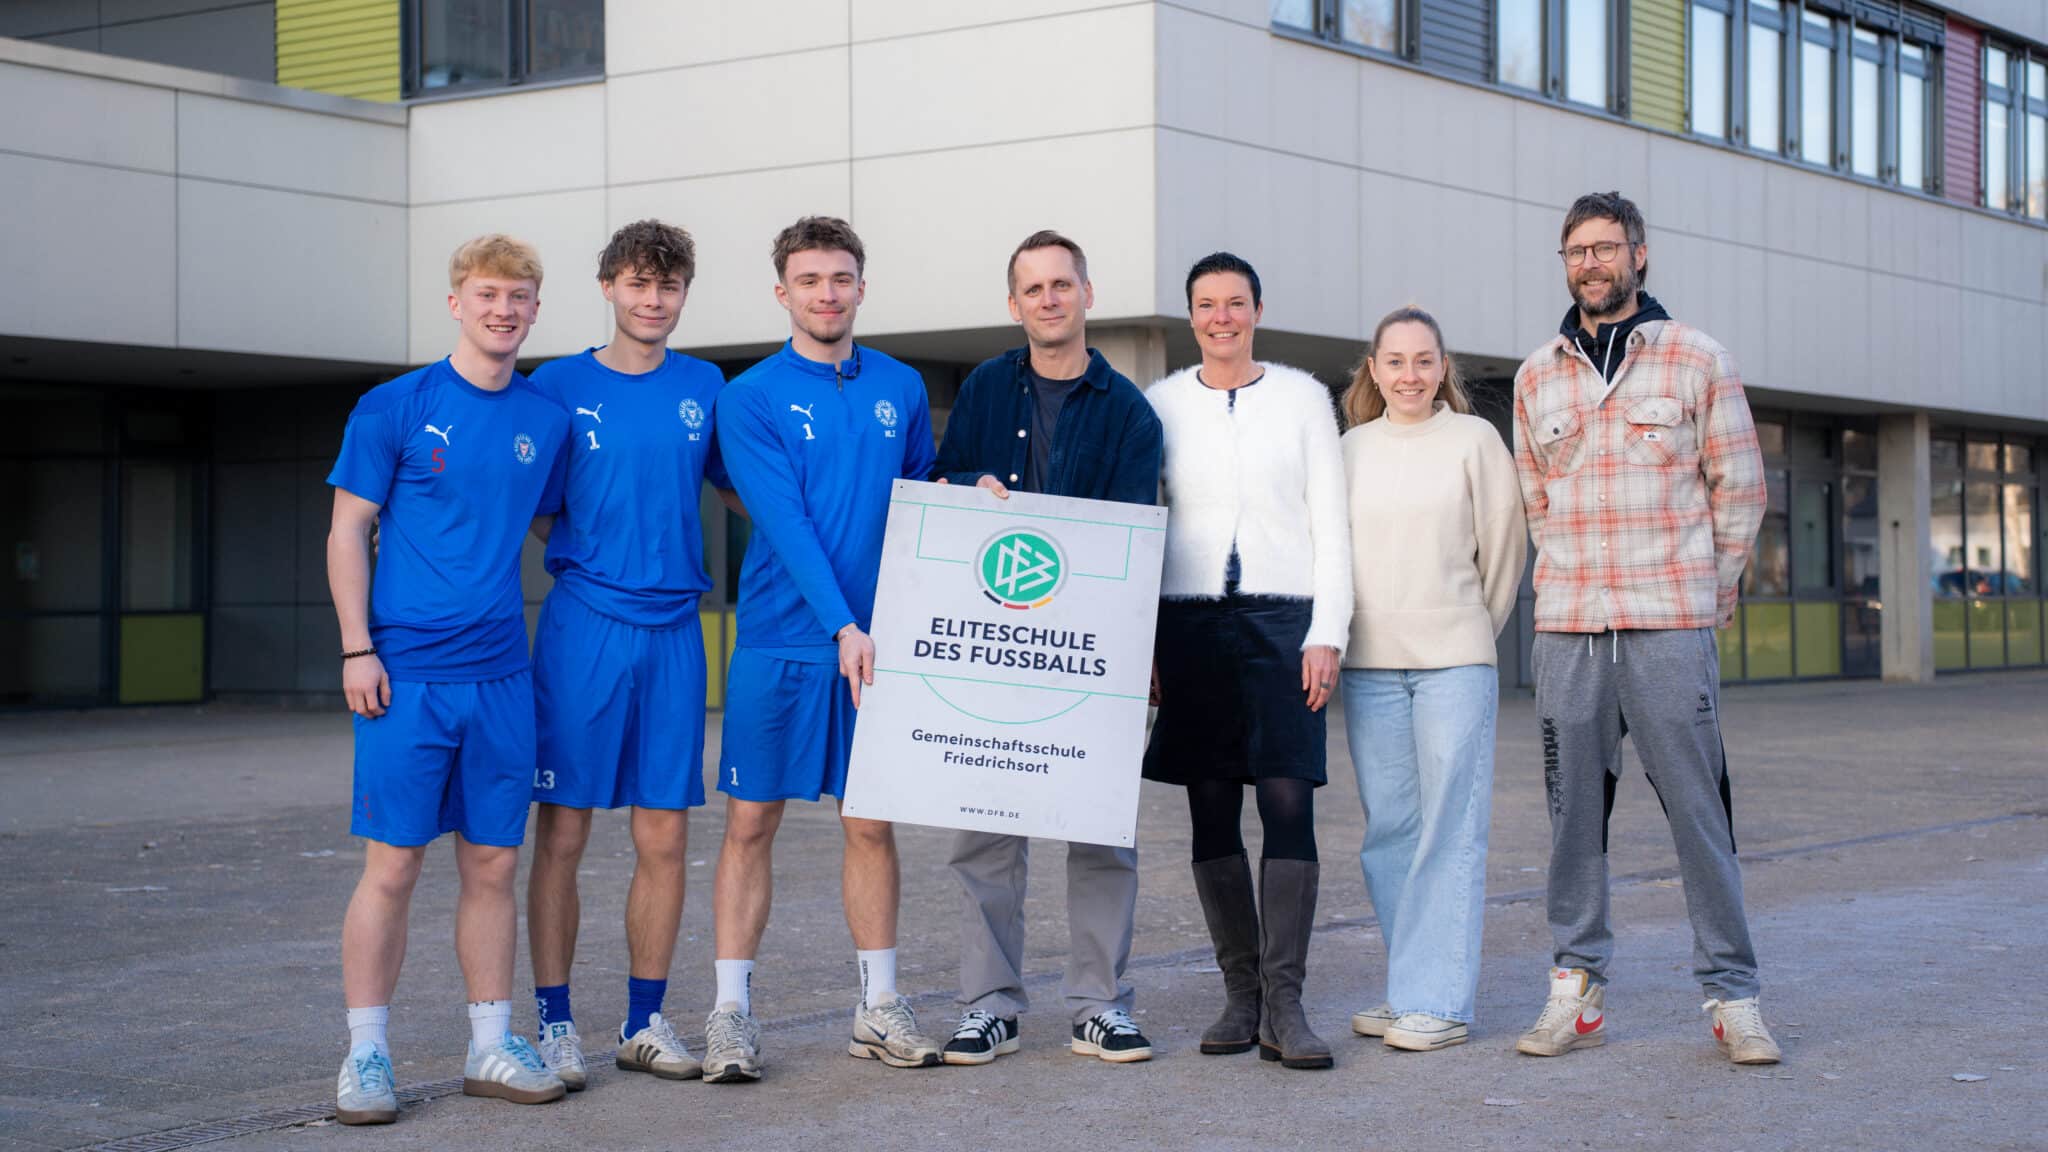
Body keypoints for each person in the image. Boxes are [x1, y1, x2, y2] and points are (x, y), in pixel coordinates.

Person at [1510, 190, 1779, 1064]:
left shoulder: (1697, 359)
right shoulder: (1535, 375)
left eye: (1606, 248)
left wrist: (1708, 596)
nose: (1592, 263)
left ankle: (1733, 995)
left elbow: (1740, 489)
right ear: (1566, 264)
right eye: (1576, 251)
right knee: (1571, 821)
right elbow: (1535, 501)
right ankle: (1575, 985)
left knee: (1700, 814)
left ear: (1640, 254)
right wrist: (1571, 584)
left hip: (1668, 625)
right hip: (1570, 632)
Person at [326, 235, 572, 1124]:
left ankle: (489, 1044)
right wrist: (359, 648)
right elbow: (347, 529)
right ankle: (365, 1055)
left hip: (503, 675)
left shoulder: (544, 419)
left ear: (537, 310)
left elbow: (554, 523)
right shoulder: (394, 405)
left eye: (519, 296)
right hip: (406, 677)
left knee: (494, 864)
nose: (502, 309)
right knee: (392, 867)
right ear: (455, 303)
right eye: (486, 293)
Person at [702, 216, 941, 1082]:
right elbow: (787, 524)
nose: (827, 294)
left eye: (841, 278)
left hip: (878, 648)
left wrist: (975, 497)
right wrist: (842, 623)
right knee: (749, 825)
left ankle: (879, 1006)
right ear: (783, 293)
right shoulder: (750, 396)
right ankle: (730, 1015)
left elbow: (921, 495)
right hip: (783, 641)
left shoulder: (902, 386)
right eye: (810, 281)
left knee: (870, 825)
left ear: (861, 288)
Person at [931, 231, 1165, 1067]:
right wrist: (968, 490)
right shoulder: (988, 389)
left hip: (1091, 657)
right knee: (984, 833)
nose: (1049, 300)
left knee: (1101, 831)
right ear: (1014, 304)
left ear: (1087, 294)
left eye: (1062, 285)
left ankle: (1100, 1003)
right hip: (994, 649)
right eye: (1033, 289)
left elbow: (1130, 544)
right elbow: (945, 491)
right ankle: (988, 1004)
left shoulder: (1130, 411)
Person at [523, 220, 743, 1089]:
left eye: (670, 286)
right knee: (564, 834)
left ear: (684, 294)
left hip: (674, 634)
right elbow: (535, 503)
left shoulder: (705, 385)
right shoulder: (558, 385)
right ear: (609, 286)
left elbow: (741, 489)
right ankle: (553, 1023)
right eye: (639, 284)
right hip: (584, 628)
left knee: (663, 834)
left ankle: (645, 1021)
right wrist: (597, 559)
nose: (654, 301)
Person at [1144, 252, 1351, 1070]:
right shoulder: (1160, 404)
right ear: (1190, 316)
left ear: (1257, 309)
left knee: (1287, 798)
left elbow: (1331, 523)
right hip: (1188, 624)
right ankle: (1242, 994)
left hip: (1285, 620)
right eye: (1206, 305)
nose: (1221, 317)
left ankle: (1287, 1003)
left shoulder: (1303, 398)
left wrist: (1326, 630)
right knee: (1209, 808)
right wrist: (1146, 646)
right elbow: (1142, 521)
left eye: (1235, 303)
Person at [1337, 306, 1525, 1053]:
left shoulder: (1475, 441)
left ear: (1443, 367)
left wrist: (1471, 628)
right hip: (1370, 664)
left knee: (1450, 828)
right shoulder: (1348, 448)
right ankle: (1409, 985)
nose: (1410, 375)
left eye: (1424, 361)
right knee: (1389, 833)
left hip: (1454, 659)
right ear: (1374, 370)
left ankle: (1439, 1001)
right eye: (1396, 361)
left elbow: (1504, 552)